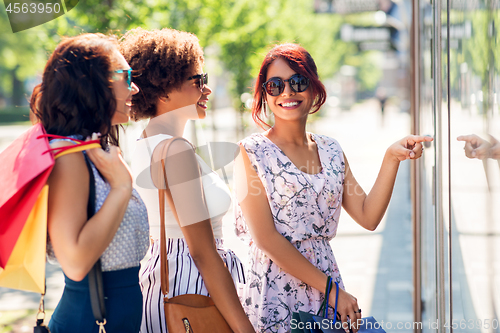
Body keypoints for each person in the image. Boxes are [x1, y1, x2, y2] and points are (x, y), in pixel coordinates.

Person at [233, 43, 433, 333]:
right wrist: (333, 291)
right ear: (265, 93)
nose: (287, 92)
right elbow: (266, 239)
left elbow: (368, 216)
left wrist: (392, 158)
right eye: (275, 85)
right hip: (276, 290)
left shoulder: (330, 149)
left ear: (313, 88)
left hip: (327, 289)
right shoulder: (251, 152)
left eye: (297, 82)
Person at [119, 28, 255, 333]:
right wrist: (244, 327)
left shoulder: (147, 141)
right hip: (193, 286)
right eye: (199, 81)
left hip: (169, 279)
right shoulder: (175, 150)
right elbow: (203, 253)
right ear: (164, 89)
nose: (207, 89)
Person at [30, 33, 149, 333]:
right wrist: (122, 188)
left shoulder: (92, 151)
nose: (134, 87)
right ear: (93, 84)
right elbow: (75, 262)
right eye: (126, 76)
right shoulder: (69, 160)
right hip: (88, 322)